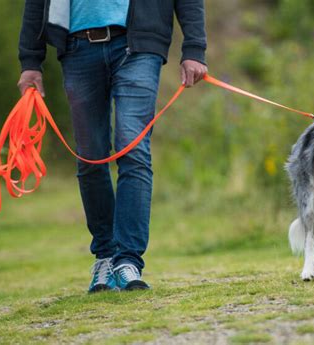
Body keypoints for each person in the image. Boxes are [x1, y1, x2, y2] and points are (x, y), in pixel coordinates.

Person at [17, 0, 207, 292]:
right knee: (90, 158)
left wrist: (194, 48)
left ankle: (128, 260)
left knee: (133, 148)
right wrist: (31, 61)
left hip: (138, 44)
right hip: (76, 48)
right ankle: (105, 256)